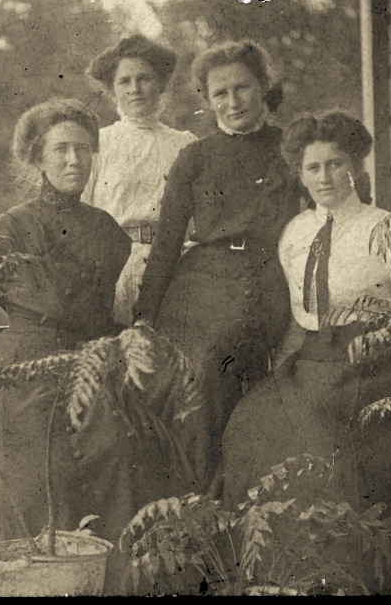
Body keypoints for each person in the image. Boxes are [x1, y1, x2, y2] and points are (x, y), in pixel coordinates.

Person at [220, 111, 391, 595]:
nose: (324, 177)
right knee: (249, 426)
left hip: (379, 368)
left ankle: (363, 581)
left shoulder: (388, 228)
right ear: (300, 174)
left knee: (350, 467)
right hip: (316, 362)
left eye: (335, 164)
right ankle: (292, 575)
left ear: (355, 167)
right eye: (313, 167)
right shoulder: (295, 234)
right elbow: (298, 318)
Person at [0, 98, 135, 591]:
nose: (74, 161)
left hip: (89, 369)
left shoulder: (109, 234)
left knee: (113, 463)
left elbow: (108, 317)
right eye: (61, 150)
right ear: (36, 158)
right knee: (25, 488)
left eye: (83, 149)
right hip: (20, 376)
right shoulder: (7, 230)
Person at [132, 39, 301, 496]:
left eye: (242, 88)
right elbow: (167, 243)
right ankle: (202, 506)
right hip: (203, 282)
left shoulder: (292, 149)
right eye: (219, 93)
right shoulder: (195, 158)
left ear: (264, 86)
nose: (232, 101)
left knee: (263, 380)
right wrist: (145, 316)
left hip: (272, 275)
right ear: (206, 101)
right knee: (204, 375)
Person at [81, 34, 199, 326]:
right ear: (112, 89)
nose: (135, 89)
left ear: (160, 83)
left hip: (171, 270)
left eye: (144, 78)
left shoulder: (186, 144)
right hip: (113, 269)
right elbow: (80, 215)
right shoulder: (98, 143)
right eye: (124, 81)